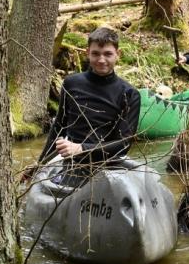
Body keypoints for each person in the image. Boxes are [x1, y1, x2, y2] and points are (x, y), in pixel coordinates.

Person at [27, 26, 140, 179]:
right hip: (74, 166)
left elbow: (123, 144)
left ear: (117, 55)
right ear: (87, 53)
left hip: (110, 170)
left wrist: (81, 148)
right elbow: (59, 127)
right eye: (95, 54)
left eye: (108, 54)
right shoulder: (71, 83)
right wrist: (40, 164)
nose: (101, 60)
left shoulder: (129, 94)